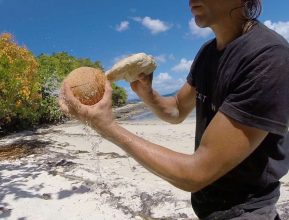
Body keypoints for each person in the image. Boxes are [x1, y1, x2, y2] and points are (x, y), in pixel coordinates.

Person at [59, 0, 289, 219]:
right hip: (209, 208)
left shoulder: (268, 57)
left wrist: (107, 126)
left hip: (248, 211)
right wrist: (148, 94)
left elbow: (196, 173)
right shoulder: (207, 53)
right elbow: (177, 109)